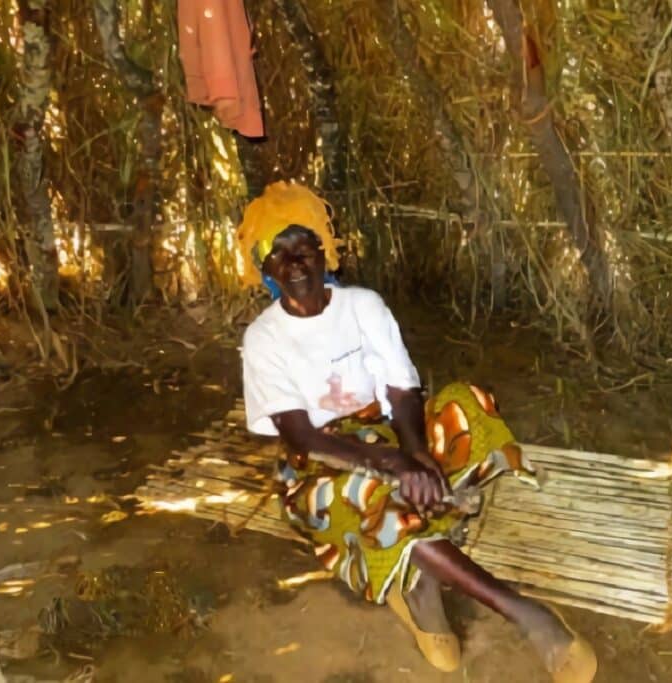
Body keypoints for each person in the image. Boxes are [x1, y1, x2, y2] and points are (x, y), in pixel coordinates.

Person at [238, 181, 597, 682]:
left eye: (304, 246)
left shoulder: (362, 306)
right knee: (372, 489)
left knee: (467, 403)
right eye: (278, 253)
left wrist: (416, 451)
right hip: (322, 465)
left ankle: (421, 563)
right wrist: (395, 465)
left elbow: (403, 389)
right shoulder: (263, 338)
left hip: (385, 434)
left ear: (325, 252)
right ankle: (521, 611)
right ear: (266, 268)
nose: (294, 261)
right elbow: (302, 437)